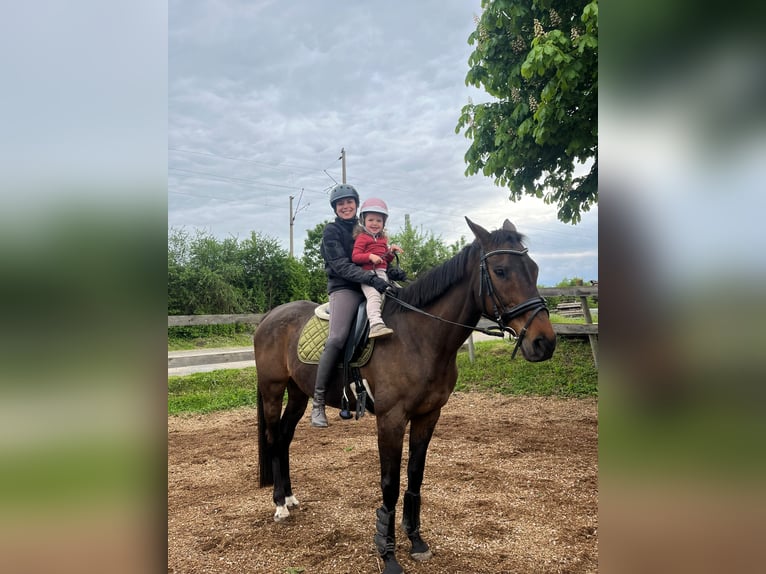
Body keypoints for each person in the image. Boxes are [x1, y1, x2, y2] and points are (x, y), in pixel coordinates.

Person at [311, 184, 392, 428]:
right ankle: (318, 401)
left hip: (370, 283)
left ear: (357, 205)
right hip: (345, 288)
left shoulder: (365, 229)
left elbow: (379, 260)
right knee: (336, 338)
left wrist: (394, 271)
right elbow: (340, 265)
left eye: (349, 202)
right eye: (340, 204)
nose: (345, 207)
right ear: (335, 208)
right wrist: (370, 279)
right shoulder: (332, 231)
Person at [351, 198, 403, 338]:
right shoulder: (362, 238)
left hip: (383, 274)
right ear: (363, 221)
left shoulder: (382, 240)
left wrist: (391, 252)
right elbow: (355, 256)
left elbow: (385, 260)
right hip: (368, 275)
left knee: (401, 294)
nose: (375, 223)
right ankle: (375, 325)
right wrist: (369, 256)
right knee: (374, 297)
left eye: (379, 221)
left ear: (383, 223)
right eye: (371, 220)